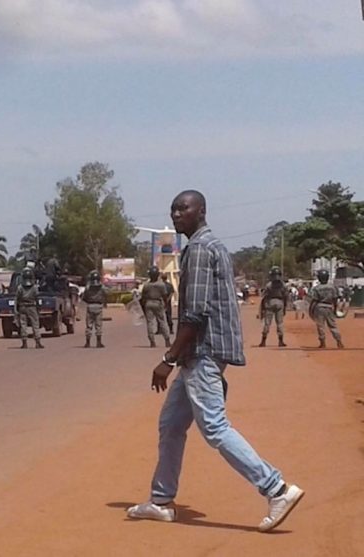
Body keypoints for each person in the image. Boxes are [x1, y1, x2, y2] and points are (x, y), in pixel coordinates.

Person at [126, 190, 304, 532]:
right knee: (171, 424)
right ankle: (161, 501)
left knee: (215, 427)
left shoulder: (201, 249)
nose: (177, 214)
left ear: (201, 211)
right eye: (174, 209)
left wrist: (168, 357)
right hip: (203, 352)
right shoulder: (208, 246)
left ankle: (276, 489)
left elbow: (195, 312)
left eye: (184, 209)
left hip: (203, 351)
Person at [309, 269, 344, 349]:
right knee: (333, 326)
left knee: (320, 326)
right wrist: (335, 309)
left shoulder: (316, 288)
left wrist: (311, 309)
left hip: (319, 307)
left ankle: (323, 342)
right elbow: (335, 299)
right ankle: (339, 341)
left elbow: (314, 300)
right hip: (329, 307)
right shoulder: (332, 287)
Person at [140, 266, 172, 348]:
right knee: (162, 321)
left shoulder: (146, 285)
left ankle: (152, 341)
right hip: (158, 303)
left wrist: (143, 307)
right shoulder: (161, 285)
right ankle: (167, 340)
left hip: (148, 303)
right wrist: (165, 304)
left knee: (150, 323)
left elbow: (143, 297)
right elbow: (164, 295)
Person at [258, 266, 289, 347]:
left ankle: (263, 341)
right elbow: (286, 296)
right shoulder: (283, 285)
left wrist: (263, 308)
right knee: (280, 323)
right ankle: (280, 341)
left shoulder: (269, 285)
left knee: (267, 323)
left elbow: (264, 296)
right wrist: (285, 306)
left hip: (270, 303)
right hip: (280, 303)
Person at [15, 267, 44, 349]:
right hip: (32, 307)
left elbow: (17, 299)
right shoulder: (34, 287)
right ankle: (38, 342)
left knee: (23, 325)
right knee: (35, 324)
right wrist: (38, 308)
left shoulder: (20, 287)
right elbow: (37, 298)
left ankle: (24, 343)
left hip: (22, 307)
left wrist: (16, 310)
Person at [81, 269, 106, 348]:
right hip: (98, 306)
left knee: (89, 325)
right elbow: (106, 294)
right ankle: (99, 343)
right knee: (98, 326)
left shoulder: (88, 287)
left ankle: (87, 343)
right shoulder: (102, 287)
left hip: (90, 306)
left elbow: (84, 297)